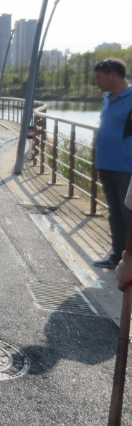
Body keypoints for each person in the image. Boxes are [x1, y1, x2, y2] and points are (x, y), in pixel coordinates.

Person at [91, 58, 132, 268]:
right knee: (114, 213)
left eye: (99, 77)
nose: (96, 81)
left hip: (126, 167)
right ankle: (117, 257)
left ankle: (128, 262)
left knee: (128, 215)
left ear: (113, 75)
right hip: (106, 164)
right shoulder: (108, 98)